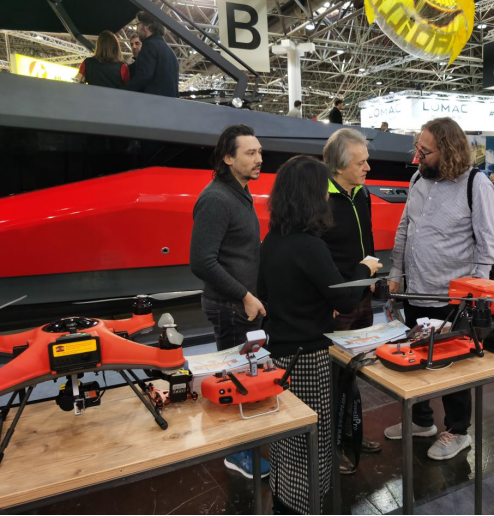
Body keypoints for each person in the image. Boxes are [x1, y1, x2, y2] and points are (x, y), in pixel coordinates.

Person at [258, 155, 382, 515]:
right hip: (310, 357)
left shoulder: (272, 240)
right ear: (311, 196)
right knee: (313, 441)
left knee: (286, 440)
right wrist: (365, 269)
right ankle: (304, 506)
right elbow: (344, 299)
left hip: (279, 355)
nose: (327, 196)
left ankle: (283, 503)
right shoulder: (311, 245)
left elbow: (265, 294)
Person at [384, 117, 494, 461]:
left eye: (425, 151)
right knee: (415, 356)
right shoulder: (418, 179)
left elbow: (489, 246)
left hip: (453, 298)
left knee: (452, 366)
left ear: (448, 150)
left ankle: (458, 431)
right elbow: (405, 228)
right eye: (417, 148)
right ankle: (421, 420)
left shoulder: (476, 185)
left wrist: (474, 296)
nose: (417, 156)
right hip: (416, 289)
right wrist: (396, 272)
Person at [189, 124, 269, 479]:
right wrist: (245, 295)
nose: (259, 158)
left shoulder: (239, 192)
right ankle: (237, 453)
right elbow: (201, 262)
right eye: (250, 153)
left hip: (242, 305)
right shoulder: (216, 199)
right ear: (228, 158)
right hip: (230, 306)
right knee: (237, 380)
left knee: (246, 376)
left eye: (259, 152)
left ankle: (245, 444)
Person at [321, 128, 381, 472]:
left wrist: (369, 279)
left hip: (362, 296)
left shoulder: (361, 193)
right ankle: (329, 448)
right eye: (361, 163)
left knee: (353, 371)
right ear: (339, 166)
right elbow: (317, 254)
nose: (368, 168)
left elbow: (366, 236)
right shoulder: (320, 198)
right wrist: (330, 296)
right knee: (331, 378)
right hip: (336, 302)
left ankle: (351, 433)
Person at [123, 11, 179, 98]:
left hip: (154, 103)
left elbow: (143, 76)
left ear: (147, 26)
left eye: (138, 25)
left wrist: (121, 92)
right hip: (170, 103)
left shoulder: (149, 45)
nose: (137, 30)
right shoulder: (169, 51)